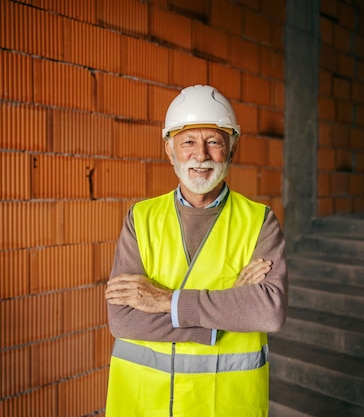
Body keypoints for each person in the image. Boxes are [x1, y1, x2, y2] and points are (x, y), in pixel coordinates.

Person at [104, 84, 288, 417]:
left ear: (231, 149)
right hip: (145, 403)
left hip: (224, 406)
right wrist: (226, 310)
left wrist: (164, 301)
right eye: (188, 142)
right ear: (170, 150)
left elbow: (268, 312)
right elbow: (124, 320)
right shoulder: (141, 218)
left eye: (214, 142)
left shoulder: (260, 221)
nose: (200, 155)